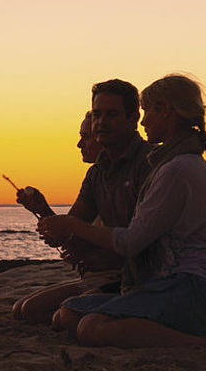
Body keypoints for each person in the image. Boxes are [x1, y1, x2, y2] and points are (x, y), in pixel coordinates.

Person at [39, 75, 206, 354]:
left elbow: (130, 242)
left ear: (166, 111)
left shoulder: (177, 169)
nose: (143, 121)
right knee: (70, 316)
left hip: (194, 290)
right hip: (168, 286)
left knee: (91, 327)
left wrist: (73, 225)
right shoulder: (171, 164)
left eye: (147, 111)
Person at [11, 80, 153, 323]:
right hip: (108, 276)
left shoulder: (149, 163)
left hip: (141, 277)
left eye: (111, 114)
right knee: (24, 311)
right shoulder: (97, 173)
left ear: (133, 119)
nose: (102, 122)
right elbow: (69, 228)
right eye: (97, 114)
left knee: (62, 318)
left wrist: (86, 248)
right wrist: (41, 209)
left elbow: (142, 243)